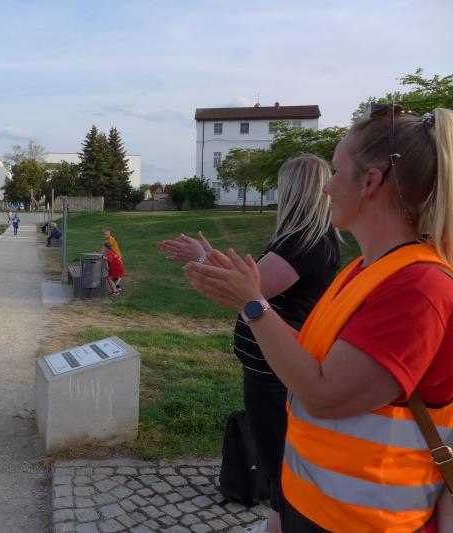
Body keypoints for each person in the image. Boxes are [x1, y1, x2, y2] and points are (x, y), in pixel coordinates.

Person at [185, 106, 453, 533]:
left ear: (370, 183)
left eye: (337, 171)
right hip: (314, 507)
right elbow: (315, 358)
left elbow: (325, 395)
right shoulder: (365, 270)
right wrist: (247, 297)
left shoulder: (418, 287)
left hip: (367, 520)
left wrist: (252, 305)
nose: (326, 187)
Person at [160, 153, 342, 533]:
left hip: (275, 372)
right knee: (278, 464)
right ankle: (273, 524)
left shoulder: (304, 242)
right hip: (268, 368)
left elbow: (251, 291)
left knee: (280, 463)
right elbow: (251, 285)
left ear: (292, 189)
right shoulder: (300, 238)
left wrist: (203, 259)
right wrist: (206, 256)